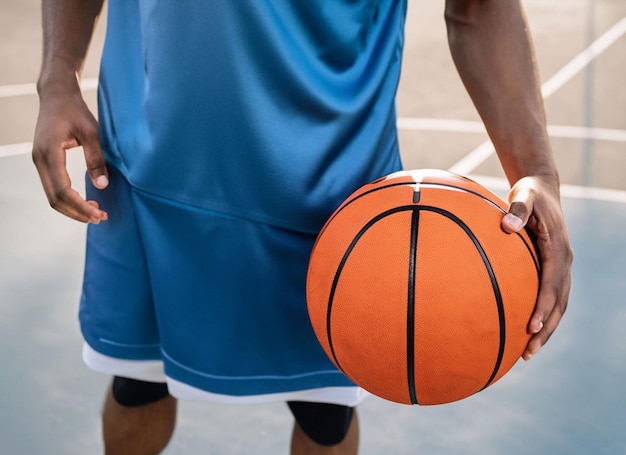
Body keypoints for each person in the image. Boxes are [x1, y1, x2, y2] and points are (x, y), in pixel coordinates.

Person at [32, 0, 573, 453]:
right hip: (146, 164)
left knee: (324, 415)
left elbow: (478, 8)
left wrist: (536, 171)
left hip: (331, 196)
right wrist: (57, 75)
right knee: (136, 385)